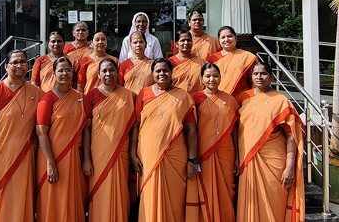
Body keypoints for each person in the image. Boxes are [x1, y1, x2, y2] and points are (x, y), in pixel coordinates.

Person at [130, 58, 199, 222]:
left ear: (171, 72)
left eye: (165, 70)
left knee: (175, 198)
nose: (162, 74)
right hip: (148, 154)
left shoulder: (183, 96)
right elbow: (136, 125)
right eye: (158, 71)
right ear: (152, 74)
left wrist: (191, 160)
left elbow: (191, 130)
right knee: (150, 195)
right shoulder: (144, 94)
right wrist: (133, 153)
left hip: (176, 156)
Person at [0, 50, 44, 222]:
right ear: (6, 66)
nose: (19, 65)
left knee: (23, 200)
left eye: (23, 62)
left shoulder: (36, 92)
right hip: (1, 159)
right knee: (2, 200)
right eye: (14, 62)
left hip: (25, 158)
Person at [236, 61, 305, 222]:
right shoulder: (243, 97)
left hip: (274, 160)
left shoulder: (281, 101)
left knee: (275, 203)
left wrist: (289, 167)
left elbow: (291, 136)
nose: (259, 77)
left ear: (271, 77)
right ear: (251, 77)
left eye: (263, 73)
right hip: (248, 158)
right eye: (255, 74)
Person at [83, 58, 137, 222]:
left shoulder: (129, 96)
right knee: (99, 191)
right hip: (98, 154)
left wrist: (133, 153)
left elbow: (135, 127)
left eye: (111, 70)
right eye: (104, 71)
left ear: (118, 72)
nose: (108, 74)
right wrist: (86, 159)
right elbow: (86, 129)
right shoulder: (91, 96)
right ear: (98, 74)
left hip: (121, 153)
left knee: (120, 191)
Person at [36, 56, 87, 222]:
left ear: (73, 72)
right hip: (51, 156)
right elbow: (41, 133)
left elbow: (86, 129)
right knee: (53, 198)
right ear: (54, 73)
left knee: (72, 195)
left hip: (74, 157)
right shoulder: (46, 100)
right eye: (61, 70)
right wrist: (50, 163)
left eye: (68, 70)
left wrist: (86, 158)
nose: (64, 73)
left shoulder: (81, 97)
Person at [190, 63, 238, 222]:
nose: (212, 79)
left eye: (215, 76)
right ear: (201, 79)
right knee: (206, 189)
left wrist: (237, 156)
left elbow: (235, 130)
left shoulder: (230, 99)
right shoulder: (195, 99)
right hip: (204, 152)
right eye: (208, 76)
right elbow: (191, 129)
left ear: (220, 77)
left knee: (226, 189)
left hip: (226, 151)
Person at [206, 26, 258, 97]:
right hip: (217, 99)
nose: (226, 39)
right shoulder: (212, 59)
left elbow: (254, 82)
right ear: (219, 40)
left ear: (235, 38)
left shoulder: (247, 57)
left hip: (241, 100)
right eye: (223, 37)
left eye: (229, 36)